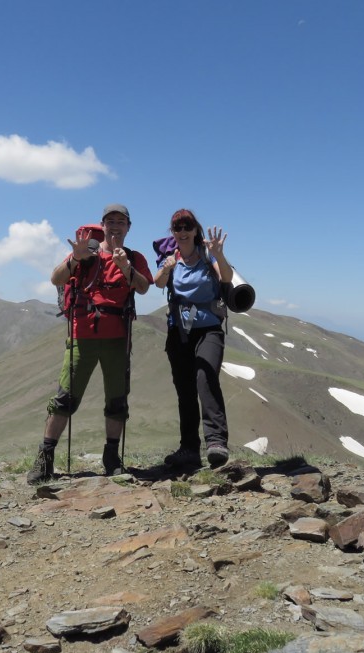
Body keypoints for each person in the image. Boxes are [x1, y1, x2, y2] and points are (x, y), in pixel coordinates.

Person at [26, 203, 152, 484]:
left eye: (121, 221)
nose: (116, 226)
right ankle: (45, 458)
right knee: (65, 398)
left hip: (118, 338)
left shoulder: (133, 257)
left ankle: (111, 458)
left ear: (129, 227)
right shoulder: (86, 254)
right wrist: (75, 258)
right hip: (82, 336)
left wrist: (125, 267)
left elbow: (143, 287)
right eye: (111, 221)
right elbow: (55, 279)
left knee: (117, 401)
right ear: (103, 225)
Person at [154, 209, 234, 470]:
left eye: (187, 226)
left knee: (205, 376)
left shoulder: (207, 254)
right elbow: (158, 283)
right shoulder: (169, 257)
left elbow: (227, 277)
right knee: (184, 389)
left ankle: (216, 441)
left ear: (195, 229)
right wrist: (167, 269)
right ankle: (189, 449)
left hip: (209, 328)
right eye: (177, 227)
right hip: (179, 330)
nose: (182, 231)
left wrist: (219, 254)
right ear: (172, 232)